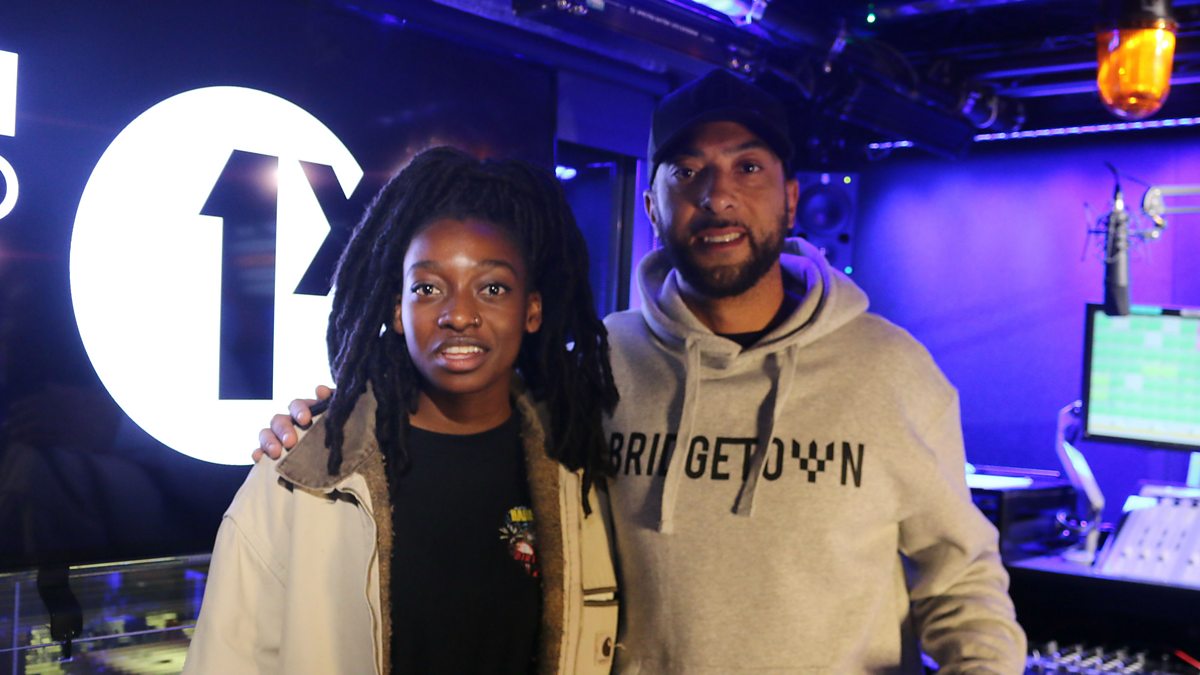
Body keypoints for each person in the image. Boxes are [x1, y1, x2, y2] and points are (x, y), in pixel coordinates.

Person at [260, 72, 1027, 672]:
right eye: (686, 172)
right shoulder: (599, 365)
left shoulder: (890, 370)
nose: (716, 195)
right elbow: (466, 422)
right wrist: (332, 426)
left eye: (747, 167)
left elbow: (962, 581)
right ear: (654, 207)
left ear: (792, 199)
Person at [187, 147, 622, 674]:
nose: (458, 314)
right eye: (428, 288)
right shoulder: (302, 473)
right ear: (397, 310)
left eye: (492, 288)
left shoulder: (579, 469)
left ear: (531, 309)